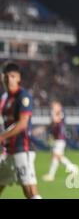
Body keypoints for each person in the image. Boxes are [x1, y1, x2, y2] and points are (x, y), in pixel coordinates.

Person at [0, 62, 42, 199]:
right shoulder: (5, 99)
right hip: (8, 151)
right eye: (6, 76)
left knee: (29, 191)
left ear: (18, 78)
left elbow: (23, 123)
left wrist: (2, 136)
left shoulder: (23, 97)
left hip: (21, 149)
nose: (8, 79)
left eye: (12, 76)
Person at [42, 100, 78, 181]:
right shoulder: (57, 114)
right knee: (56, 157)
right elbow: (53, 124)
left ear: (59, 106)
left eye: (54, 106)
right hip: (57, 138)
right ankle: (51, 175)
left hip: (60, 138)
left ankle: (73, 168)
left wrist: (53, 113)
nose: (52, 107)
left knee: (57, 156)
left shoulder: (60, 113)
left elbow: (55, 120)